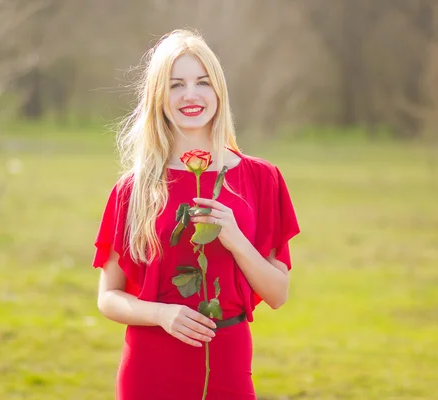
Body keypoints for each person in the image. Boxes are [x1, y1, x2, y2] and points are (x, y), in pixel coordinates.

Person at [92, 29, 300, 400]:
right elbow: (108, 297)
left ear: (218, 91)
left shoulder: (260, 178)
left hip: (228, 361)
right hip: (150, 366)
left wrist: (235, 240)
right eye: (176, 85)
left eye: (202, 82)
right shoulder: (134, 188)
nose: (191, 95)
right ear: (159, 96)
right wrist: (161, 314)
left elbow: (278, 294)